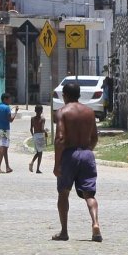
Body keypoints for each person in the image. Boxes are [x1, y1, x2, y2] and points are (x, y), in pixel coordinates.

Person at [52, 82, 102, 242]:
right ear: (79, 94)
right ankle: (95, 223)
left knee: (63, 192)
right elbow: (94, 137)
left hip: (69, 154)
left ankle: (64, 231)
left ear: (64, 95)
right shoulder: (89, 112)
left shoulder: (62, 112)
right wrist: (87, 152)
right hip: (87, 154)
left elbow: (60, 138)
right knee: (89, 194)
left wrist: (57, 163)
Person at [29, 103, 46, 174]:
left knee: (38, 152)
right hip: (40, 136)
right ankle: (37, 168)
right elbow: (42, 129)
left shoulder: (32, 119)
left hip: (35, 136)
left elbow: (31, 129)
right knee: (40, 153)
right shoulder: (42, 119)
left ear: (35, 111)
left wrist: (33, 135)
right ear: (41, 111)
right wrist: (46, 132)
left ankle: (32, 163)